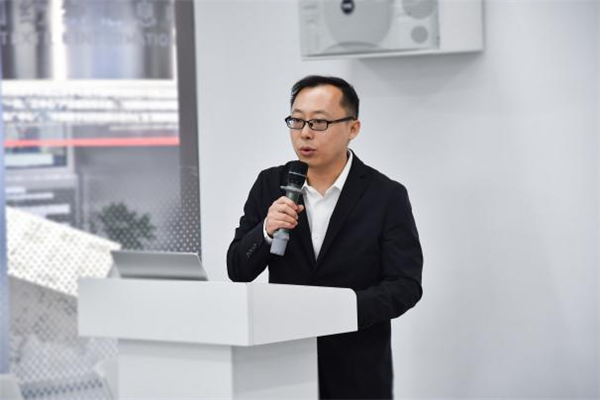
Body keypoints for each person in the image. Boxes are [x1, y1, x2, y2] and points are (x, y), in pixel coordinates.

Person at [227, 75, 423, 399]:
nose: (305, 133)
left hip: (356, 368)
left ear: (353, 128)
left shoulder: (386, 195)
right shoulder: (270, 183)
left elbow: (405, 285)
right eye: (297, 121)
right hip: (282, 365)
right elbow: (238, 269)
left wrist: (340, 311)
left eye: (319, 122)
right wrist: (265, 231)